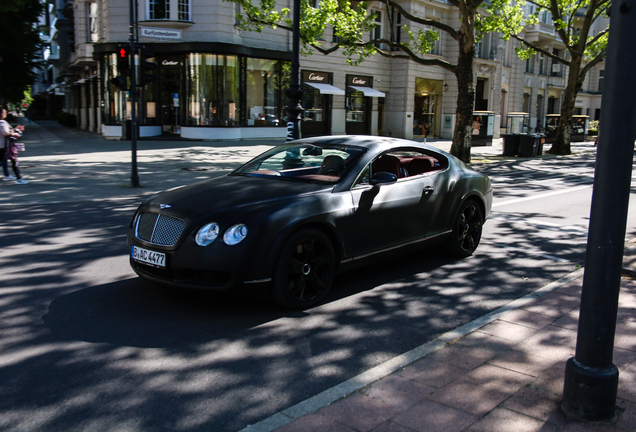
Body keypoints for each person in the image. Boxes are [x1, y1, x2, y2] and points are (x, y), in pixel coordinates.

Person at [0, 108, 28, 184]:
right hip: (5, 146)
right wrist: (14, 134)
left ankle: (12, 176)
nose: (6, 113)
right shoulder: (2, 122)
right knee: (14, 162)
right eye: (4, 112)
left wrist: (15, 129)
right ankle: (19, 179)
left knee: (4, 162)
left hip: (3, 146)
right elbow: (5, 133)